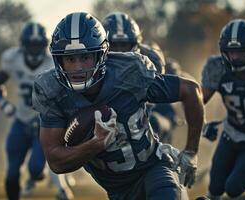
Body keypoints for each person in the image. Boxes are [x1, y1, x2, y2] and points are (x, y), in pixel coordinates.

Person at [32, 12, 204, 200]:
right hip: (118, 191)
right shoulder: (52, 90)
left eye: (85, 57)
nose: (79, 68)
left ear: (101, 54)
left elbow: (191, 90)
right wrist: (94, 145)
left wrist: (191, 152)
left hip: (152, 167)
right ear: (59, 61)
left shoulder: (129, 72)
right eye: (71, 59)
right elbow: (56, 161)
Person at [0, 21, 73, 200]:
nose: (35, 50)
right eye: (31, 45)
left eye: (39, 45)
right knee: (12, 172)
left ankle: (37, 176)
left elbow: (67, 92)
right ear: (23, 44)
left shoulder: (53, 62)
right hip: (21, 120)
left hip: (44, 124)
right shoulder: (13, 59)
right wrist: (3, 103)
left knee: (36, 169)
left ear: (45, 45)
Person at [200, 19, 245, 200]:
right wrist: (203, 124)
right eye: (231, 52)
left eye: (241, 52)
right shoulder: (217, 68)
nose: (236, 57)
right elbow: (198, 101)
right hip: (231, 134)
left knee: (233, 188)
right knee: (215, 186)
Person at [102, 12, 184, 144]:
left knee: (152, 122)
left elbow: (183, 84)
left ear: (136, 44)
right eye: (114, 45)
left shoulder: (151, 59)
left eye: (124, 45)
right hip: (116, 117)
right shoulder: (95, 62)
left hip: (153, 112)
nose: (119, 52)